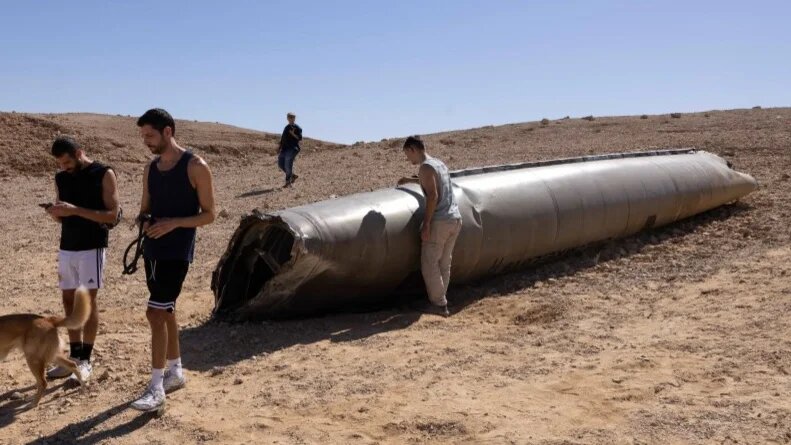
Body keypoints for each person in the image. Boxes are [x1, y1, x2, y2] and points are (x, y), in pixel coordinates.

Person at [131, 108, 216, 412]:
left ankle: (156, 389)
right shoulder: (150, 169)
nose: (146, 141)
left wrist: (174, 223)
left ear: (168, 132)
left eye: (150, 135)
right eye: (143, 136)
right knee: (166, 312)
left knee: (155, 314)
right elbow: (143, 209)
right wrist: (143, 223)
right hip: (152, 252)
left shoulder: (196, 167)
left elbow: (209, 214)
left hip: (177, 252)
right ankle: (175, 372)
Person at [45, 136, 120, 383]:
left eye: (67, 161)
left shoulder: (103, 173)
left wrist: (75, 210)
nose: (64, 167)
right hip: (68, 246)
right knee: (68, 301)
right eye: (60, 163)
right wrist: (56, 214)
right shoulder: (61, 178)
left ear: (79, 153)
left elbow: (111, 216)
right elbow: (63, 215)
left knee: (86, 301)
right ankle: (73, 359)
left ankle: (86, 360)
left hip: (92, 246)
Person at [397, 135, 462, 317]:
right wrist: (410, 180)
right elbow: (434, 183)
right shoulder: (439, 164)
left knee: (429, 263)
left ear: (413, 149)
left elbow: (432, 195)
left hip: (440, 222)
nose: (408, 159)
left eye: (407, 155)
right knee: (444, 263)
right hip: (455, 219)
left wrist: (426, 223)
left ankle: (439, 305)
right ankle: (441, 299)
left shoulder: (425, 167)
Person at [277, 112, 303, 187]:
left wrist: (293, 134)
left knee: (288, 164)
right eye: (289, 117)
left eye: (292, 117)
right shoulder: (286, 127)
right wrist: (279, 147)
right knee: (280, 164)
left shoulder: (297, 128)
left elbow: (300, 138)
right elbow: (283, 138)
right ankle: (292, 175)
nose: (291, 118)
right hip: (284, 149)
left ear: (294, 118)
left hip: (293, 148)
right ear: (287, 118)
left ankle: (288, 182)